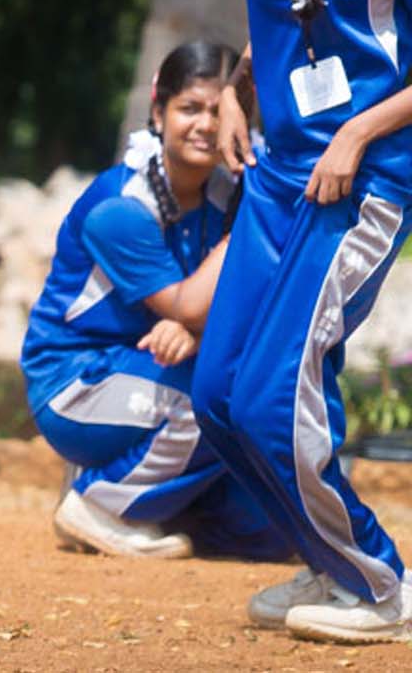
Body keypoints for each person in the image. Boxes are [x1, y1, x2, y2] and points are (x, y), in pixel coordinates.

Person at [191, 0, 412, 642]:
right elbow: (284, 26)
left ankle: (382, 586)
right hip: (276, 182)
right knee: (217, 395)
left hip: (361, 185)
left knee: (273, 392)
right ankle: (324, 562)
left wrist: (357, 130)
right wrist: (237, 93)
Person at [21, 40, 284, 561]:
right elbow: (191, 306)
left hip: (159, 368)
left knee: (265, 532)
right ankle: (99, 502)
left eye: (220, 110)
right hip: (75, 384)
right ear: (159, 113)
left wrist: (197, 330)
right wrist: (199, 318)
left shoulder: (227, 192)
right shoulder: (121, 206)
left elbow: (255, 305)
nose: (206, 125)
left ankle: (138, 491)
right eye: (190, 108)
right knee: (225, 393)